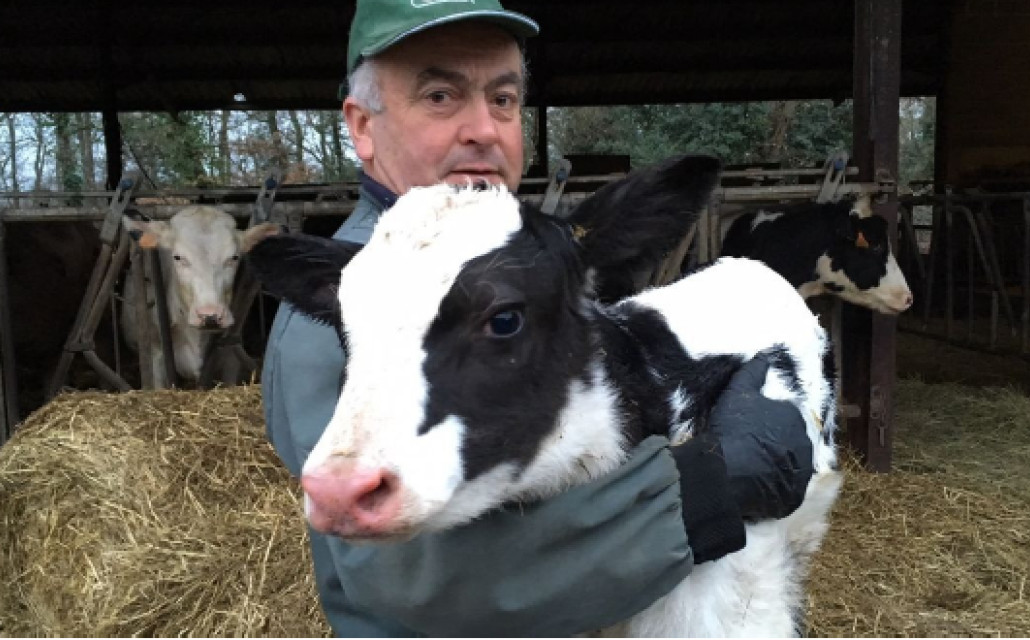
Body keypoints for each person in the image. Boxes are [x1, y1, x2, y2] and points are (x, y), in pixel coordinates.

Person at [261, 1, 815, 636]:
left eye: (502, 99)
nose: (483, 129)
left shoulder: (518, 264)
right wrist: (708, 486)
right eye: (440, 96)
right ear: (362, 127)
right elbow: (407, 582)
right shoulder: (346, 306)